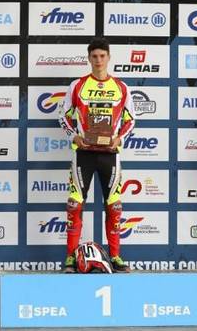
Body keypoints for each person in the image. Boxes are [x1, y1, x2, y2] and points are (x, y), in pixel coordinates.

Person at [59, 37, 136, 273]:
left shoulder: (121, 87)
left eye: (102, 56)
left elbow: (130, 119)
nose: (98, 60)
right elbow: (63, 116)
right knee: (74, 205)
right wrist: (74, 136)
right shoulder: (78, 85)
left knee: (114, 206)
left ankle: (116, 256)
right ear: (89, 58)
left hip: (110, 154)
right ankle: (71, 257)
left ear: (109, 57)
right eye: (94, 56)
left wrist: (119, 139)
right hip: (83, 153)